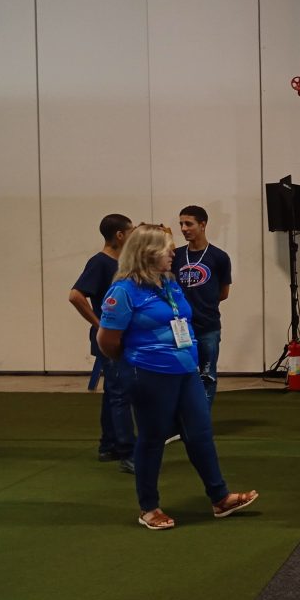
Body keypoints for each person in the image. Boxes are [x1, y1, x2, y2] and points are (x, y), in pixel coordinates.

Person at [97, 224, 257, 530]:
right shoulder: (124, 291)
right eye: (167, 249)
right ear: (147, 253)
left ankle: (220, 498)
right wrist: (135, 361)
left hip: (185, 371)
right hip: (149, 373)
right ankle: (148, 508)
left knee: (200, 433)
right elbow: (107, 340)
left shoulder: (169, 283)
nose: (173, 253)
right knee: (152, 438)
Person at [69, 214, 137, 473]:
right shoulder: (100, 263)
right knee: (121, 395)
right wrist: (100, 325)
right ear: (120, 235)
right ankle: (128, 452)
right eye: (131, 232)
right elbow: (75, 295)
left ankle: (108, 445)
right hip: (111, 340)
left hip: (118, 337)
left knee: (113, 392)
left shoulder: (120, 263)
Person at [172, 205, 231, 406]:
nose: (183, 228)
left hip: (208, 326)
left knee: (207, 375)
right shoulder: (175, 256)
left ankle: (202, 418)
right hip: (180, 327)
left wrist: (202, 303)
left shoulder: (219, 257)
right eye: (181, 224)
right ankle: (181, 417)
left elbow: (223, 293)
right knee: (180, 373)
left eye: (189, 224)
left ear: (203, 225)